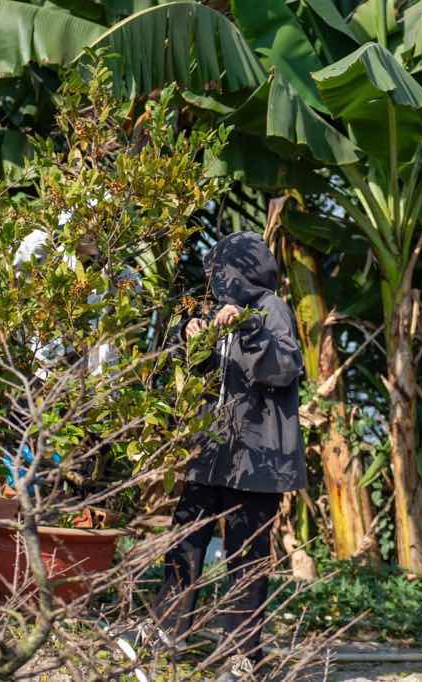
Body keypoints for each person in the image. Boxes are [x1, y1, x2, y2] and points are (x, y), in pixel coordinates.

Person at [141, 232, 306, 682]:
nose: (217, 281)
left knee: (246, 557)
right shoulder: (218, 309)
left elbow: (284, 369)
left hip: (257, 460)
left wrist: (247, 328)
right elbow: (203, 377)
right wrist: (192, 338)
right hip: (212, 451)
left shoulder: (271, 308)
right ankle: (165, 634)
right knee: (186, 538)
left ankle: (243, 658)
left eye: (223, 271)